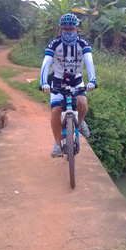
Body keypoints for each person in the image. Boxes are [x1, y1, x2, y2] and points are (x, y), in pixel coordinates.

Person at [40, 13, 97, 157]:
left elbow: (89, 61)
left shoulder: (83, 43)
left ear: (76, 29)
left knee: (83, 103)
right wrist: (43, 82)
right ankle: (57, 144)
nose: (69, 32)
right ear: (61, 30)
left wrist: (92, 80)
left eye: (72, 29)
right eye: (66, 29)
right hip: (57, 80)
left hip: (76, 79)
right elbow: (46, 62)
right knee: (55, 111)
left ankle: (80, 122)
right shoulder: (54, 43)